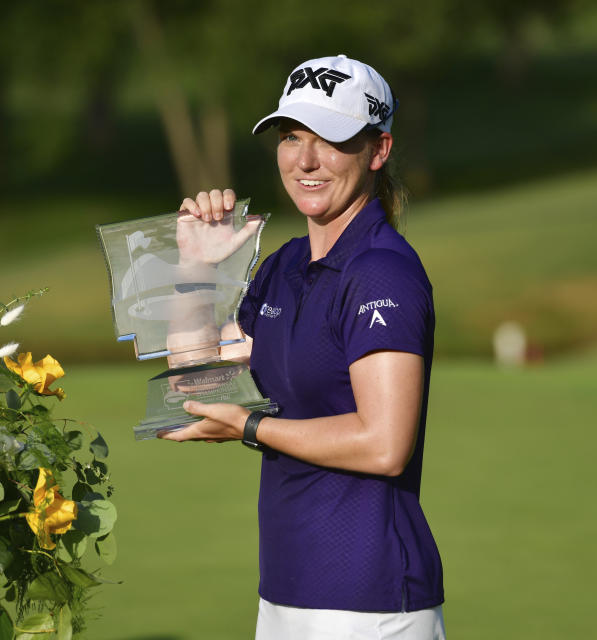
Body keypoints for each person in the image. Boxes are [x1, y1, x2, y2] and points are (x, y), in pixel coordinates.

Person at [161, 55, 445, 640]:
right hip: (285, 594)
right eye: (292, 137)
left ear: (379, 150)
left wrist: (249, 427)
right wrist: (195, 272)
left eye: (330, 140)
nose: (305, 160)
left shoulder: (382, 273)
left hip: (371, 602)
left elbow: (385, 444)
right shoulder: (286, 265)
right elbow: (190, 390)